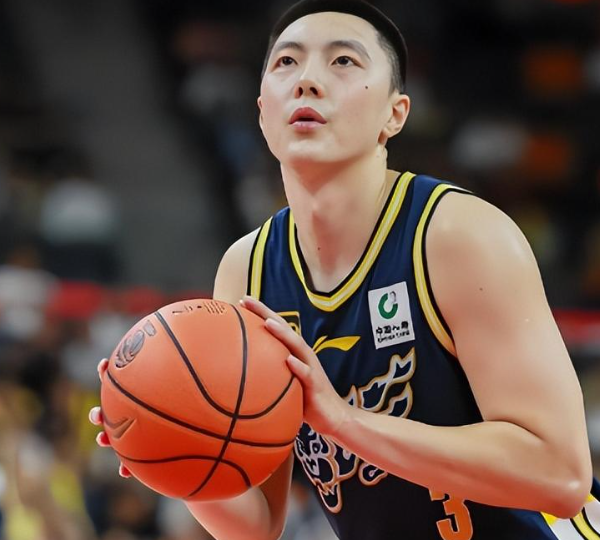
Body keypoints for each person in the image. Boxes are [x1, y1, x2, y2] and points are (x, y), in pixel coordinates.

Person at [91, 1, 599, 539]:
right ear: (263, 111)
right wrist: (171, 450)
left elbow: (559, 475)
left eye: (343, 62)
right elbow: (257, 526)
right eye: (287, 62)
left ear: (394, 114)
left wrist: (345, 422)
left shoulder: (457, 235)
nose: (307, 80)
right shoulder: (248, 270)